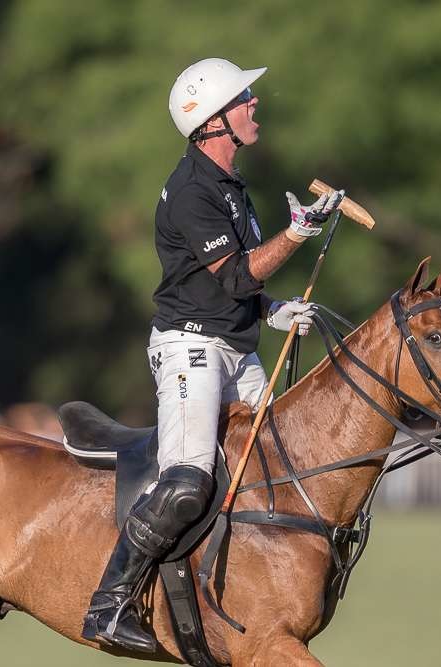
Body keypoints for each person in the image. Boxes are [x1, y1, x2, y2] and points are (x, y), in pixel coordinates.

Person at [81, 58, 344, 651]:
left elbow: (235, 286)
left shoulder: (231, 188)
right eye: (244, 98)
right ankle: (109, 604)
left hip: (236, 346)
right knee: (187, 482)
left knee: (278, 462)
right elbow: (237, 273)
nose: (256, 104)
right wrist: (298, 233)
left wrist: (273, 311)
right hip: (190, 348)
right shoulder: (193, 192)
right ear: (213, 121)